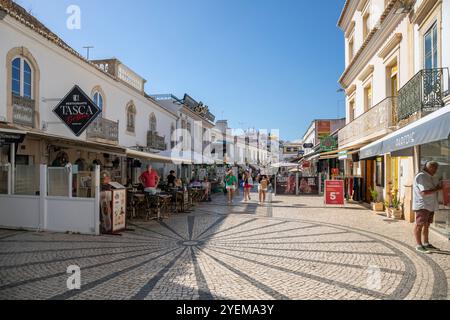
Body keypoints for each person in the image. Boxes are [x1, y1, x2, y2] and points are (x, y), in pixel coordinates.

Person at [412, 161, 442, 254]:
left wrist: (438, 185)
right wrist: (438, 189)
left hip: (430, 205)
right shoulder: (421, 176)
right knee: (419, 225)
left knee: (427, 225)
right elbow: (424, 192)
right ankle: (419, 245)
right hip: (423, 205)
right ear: (429, 168)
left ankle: (426, 243)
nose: (435, 171)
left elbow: (430, 188)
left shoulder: (429, 176)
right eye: (434, 169)